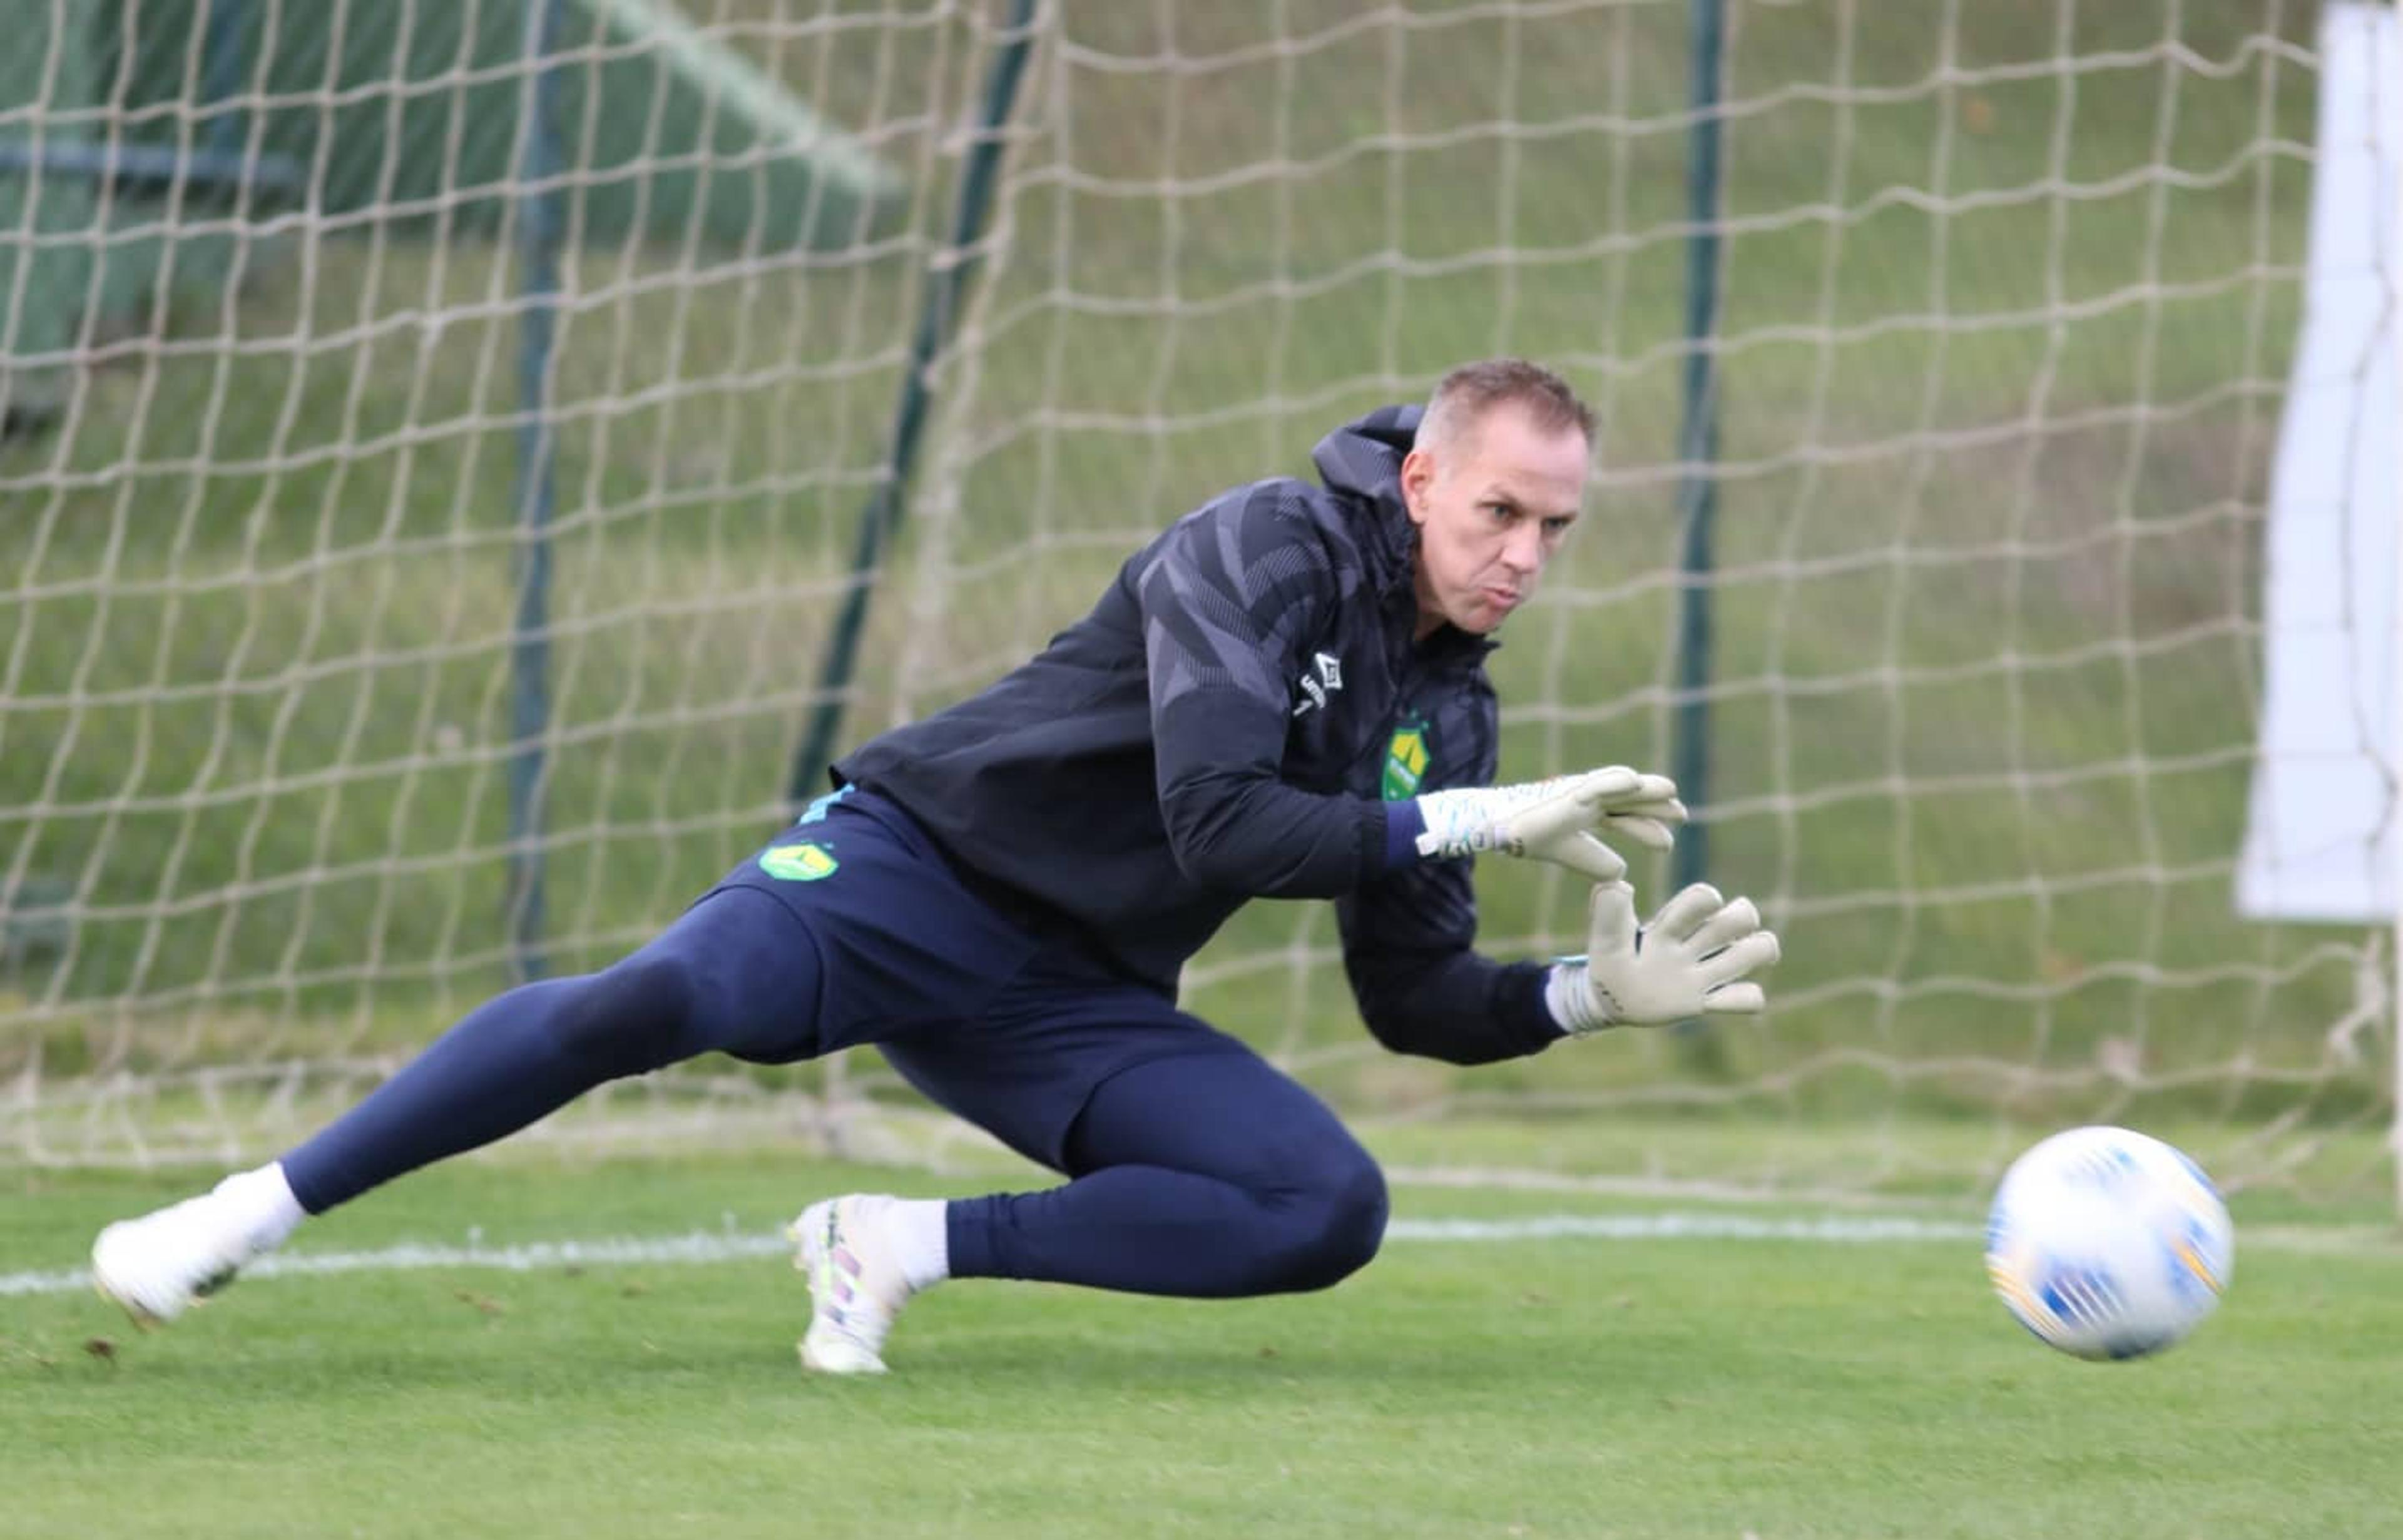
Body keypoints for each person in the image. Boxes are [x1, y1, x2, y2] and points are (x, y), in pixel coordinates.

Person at [91, 357, 1781, 1375]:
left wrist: (1575, 997)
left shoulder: (1450, 716)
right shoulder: (1259, 545)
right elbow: (1225, 824)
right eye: (1499, 513)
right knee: (670, 993)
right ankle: (248, 1211)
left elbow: (1410, 998)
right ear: (1422, 479)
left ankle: (890, 1243)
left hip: (1070, 997)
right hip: (916, 871)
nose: (1524, 556)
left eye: (1556, 529)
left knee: (1323, 1207)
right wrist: (1481, 821)